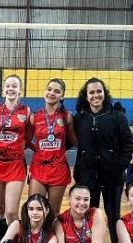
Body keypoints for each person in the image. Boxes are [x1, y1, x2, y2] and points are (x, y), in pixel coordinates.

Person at [73, 77, 133, 243]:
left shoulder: (116, 116)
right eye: (91, 92)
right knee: (87, 212)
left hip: (112, 175)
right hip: (87, 174)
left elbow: (127, 142)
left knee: (113, 212)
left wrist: (120, 165)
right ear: (86, 95)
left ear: (104, 93)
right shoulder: (79, 118)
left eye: (99, 91)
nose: (95, 95)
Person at [0, 75, 30, 243]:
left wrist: (24, 146)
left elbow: (30, 135)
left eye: (15, 86)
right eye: (8, 85)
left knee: (11, 211)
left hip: (15, 164)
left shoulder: (26, 111)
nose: (11, 88)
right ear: (3, 89)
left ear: (20, 90)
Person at [28, 78, 77, 215]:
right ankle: (34, 237)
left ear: (62, 95)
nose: (51, 93)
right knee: (34, 208)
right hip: (39, 168)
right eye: (49, 89)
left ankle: (51, 237)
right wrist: (37, 150)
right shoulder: (34, 117)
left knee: (53, 212)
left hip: (58, 169)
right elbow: (26, 141)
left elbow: (74, 141)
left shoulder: (67, 116)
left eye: (57, 91)